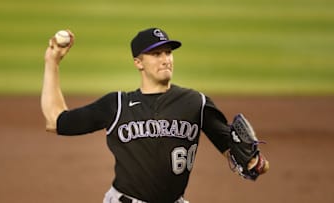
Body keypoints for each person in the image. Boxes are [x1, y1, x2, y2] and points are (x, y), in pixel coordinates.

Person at [41, 27, 268, 203]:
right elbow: (56, 121)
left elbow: (238, 154)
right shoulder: (116, 105)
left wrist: (255, 162)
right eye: (156, 53)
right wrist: (52, 63)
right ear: (138, 62)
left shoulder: (196, 103)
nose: (165, 58)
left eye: (168, 52)